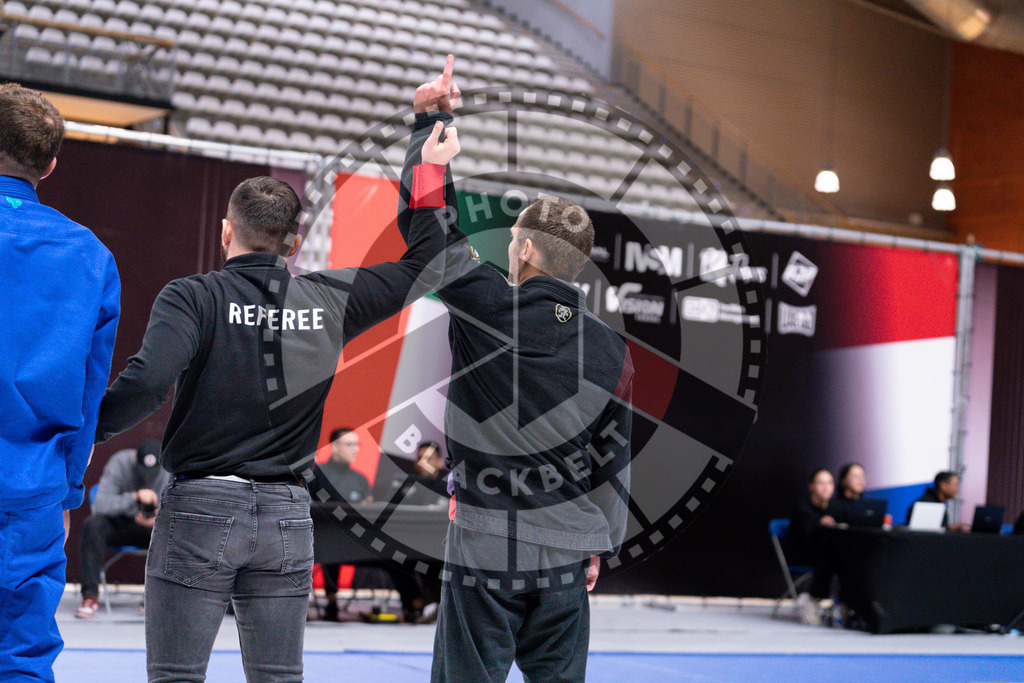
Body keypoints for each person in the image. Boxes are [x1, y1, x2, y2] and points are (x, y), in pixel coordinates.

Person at [93, 60, 460, 681]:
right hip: (287, 515)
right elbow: (432, 260)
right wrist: (429, 129)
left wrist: (81, 431)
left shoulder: (193, 297)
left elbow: (148, 383)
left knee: (176, 676)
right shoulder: (329, 300)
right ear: (294, 242)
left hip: (200, 509)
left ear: (225, 232)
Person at [415, 62, 634, 683]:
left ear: (528, 249)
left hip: (486, 538)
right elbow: (614, 455)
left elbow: (429, 235)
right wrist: (599, 542)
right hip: (569, 545)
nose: (510, 247)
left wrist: (429, 128)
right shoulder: (613, 350)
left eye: (513, 238)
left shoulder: (487, 305)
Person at [0, 83, 120, 682]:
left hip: (35, 489)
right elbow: (88, 396)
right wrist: (69, 493)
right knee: (22, 660)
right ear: (49, 166)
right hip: (33, 489)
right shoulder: (90, 257)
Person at [76, 439, 171, 619]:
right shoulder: (120, 462)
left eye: (151, 474)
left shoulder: (168, 469)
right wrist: (134, 497)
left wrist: (157, 520)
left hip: (152, 529)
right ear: (135, 458)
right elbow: (100, 504)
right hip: (120, 525)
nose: (147, 478)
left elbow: (176, 512)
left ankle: (154, 596)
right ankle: (89, 597)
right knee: (93, 524)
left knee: (173, 532)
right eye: (143, 472)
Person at [314, 427, 372, 622]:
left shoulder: (360, 479)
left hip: (356, 539)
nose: (355, 449)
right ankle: (331, 601)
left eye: (357, 444)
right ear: (334, 447)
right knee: (333, 543)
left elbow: (368, 510)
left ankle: (415, 604)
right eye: (349, 444)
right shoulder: (317, 474)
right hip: (322, 537)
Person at [786, 468, 839, 627]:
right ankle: (813, 599)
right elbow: (806, 536)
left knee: (846, 556)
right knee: (828, 556)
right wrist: (820, 525)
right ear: (812, 486)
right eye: (821, 483)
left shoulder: (835, 508)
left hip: (825, 552)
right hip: (801, 552)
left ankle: (846, 603)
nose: (826, 487)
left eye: (829, 483)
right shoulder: (802, 507)